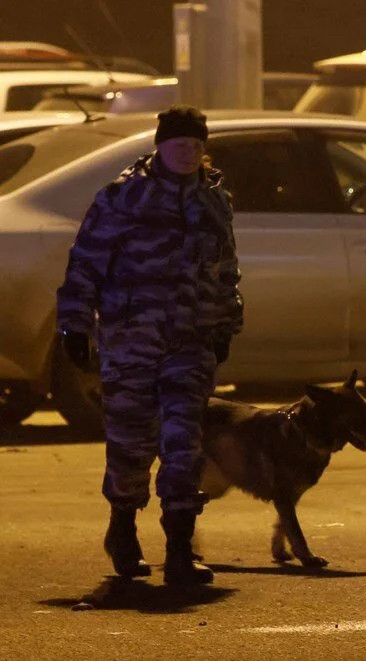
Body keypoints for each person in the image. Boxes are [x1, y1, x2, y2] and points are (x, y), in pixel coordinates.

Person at [56, 105, 243, 585]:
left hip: (191, 342)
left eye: (196, 145)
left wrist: (226, 322)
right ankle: (122, 528)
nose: (188, 152)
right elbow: (86, 263)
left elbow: (225, 269)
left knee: (184, 444)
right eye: (180, 144)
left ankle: (179, 548)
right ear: (161, 145)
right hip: (130, 341)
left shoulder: (212, 201)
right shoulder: (123, 198)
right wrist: (75, 326)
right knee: (131, 446)